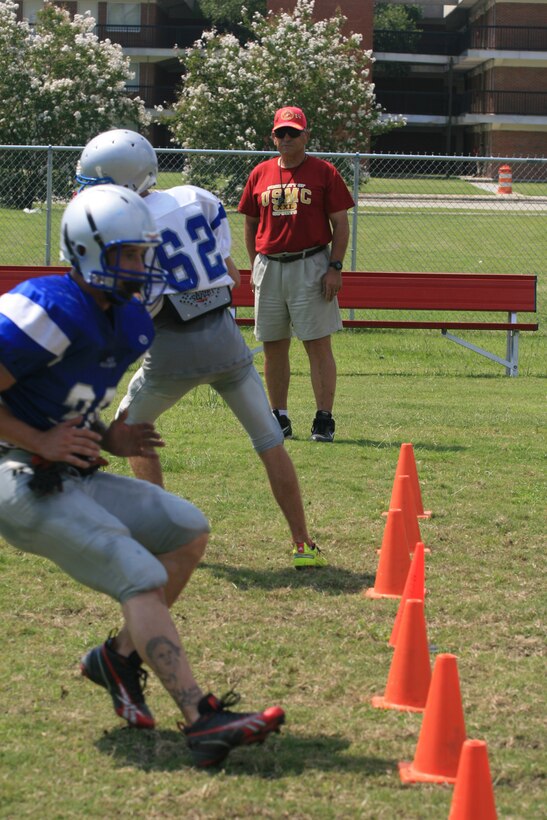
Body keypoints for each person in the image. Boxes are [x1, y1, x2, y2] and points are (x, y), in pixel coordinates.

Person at [0, 184, 284, 768]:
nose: (144, 266)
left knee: (185, 528)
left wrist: (109, 437)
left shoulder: (131, 322)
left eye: (143, 253)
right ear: (87, 251)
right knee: (139, 570)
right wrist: (41, 440)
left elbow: (68, 398)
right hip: (14, 470)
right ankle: (202, 718)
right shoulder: (47, 308)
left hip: (61, 468)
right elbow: (30, 412)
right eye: (129, 254)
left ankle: (118, 658)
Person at [76, 128, 326, 570]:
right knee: (270, 441)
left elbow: (124, 302)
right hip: (226, 339)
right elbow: (229, 271)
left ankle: (161, 535)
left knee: (131, 430)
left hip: (171, 347)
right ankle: (302, 542)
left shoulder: (121, 224)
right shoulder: (194, 198)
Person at [238, 106, 355, 443]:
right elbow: (249, 223)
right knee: (273, 346)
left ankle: (323, 418)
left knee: (317, 345)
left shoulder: (324, 172)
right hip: (270, 267)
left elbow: (341, 224)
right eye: (280, 133)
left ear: (306, 135)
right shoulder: (260, 173)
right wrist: (255, 264)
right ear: (272, 136)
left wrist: (334, 267)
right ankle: (279, 416)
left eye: (293, 132)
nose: (286, 138)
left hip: (311, 266)